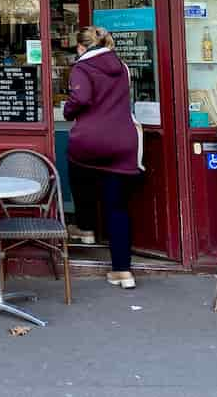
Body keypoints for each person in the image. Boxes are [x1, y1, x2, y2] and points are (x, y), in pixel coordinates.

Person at [63, 25, 144, 289]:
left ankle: (85, 227)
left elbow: (81, 98)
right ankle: (123, 271)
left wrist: (67, 108)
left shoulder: (82, 68)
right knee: (117, 207)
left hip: (91, 140)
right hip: (123, 141)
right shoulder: (121, 66)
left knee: (75, 167)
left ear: (81, 48)